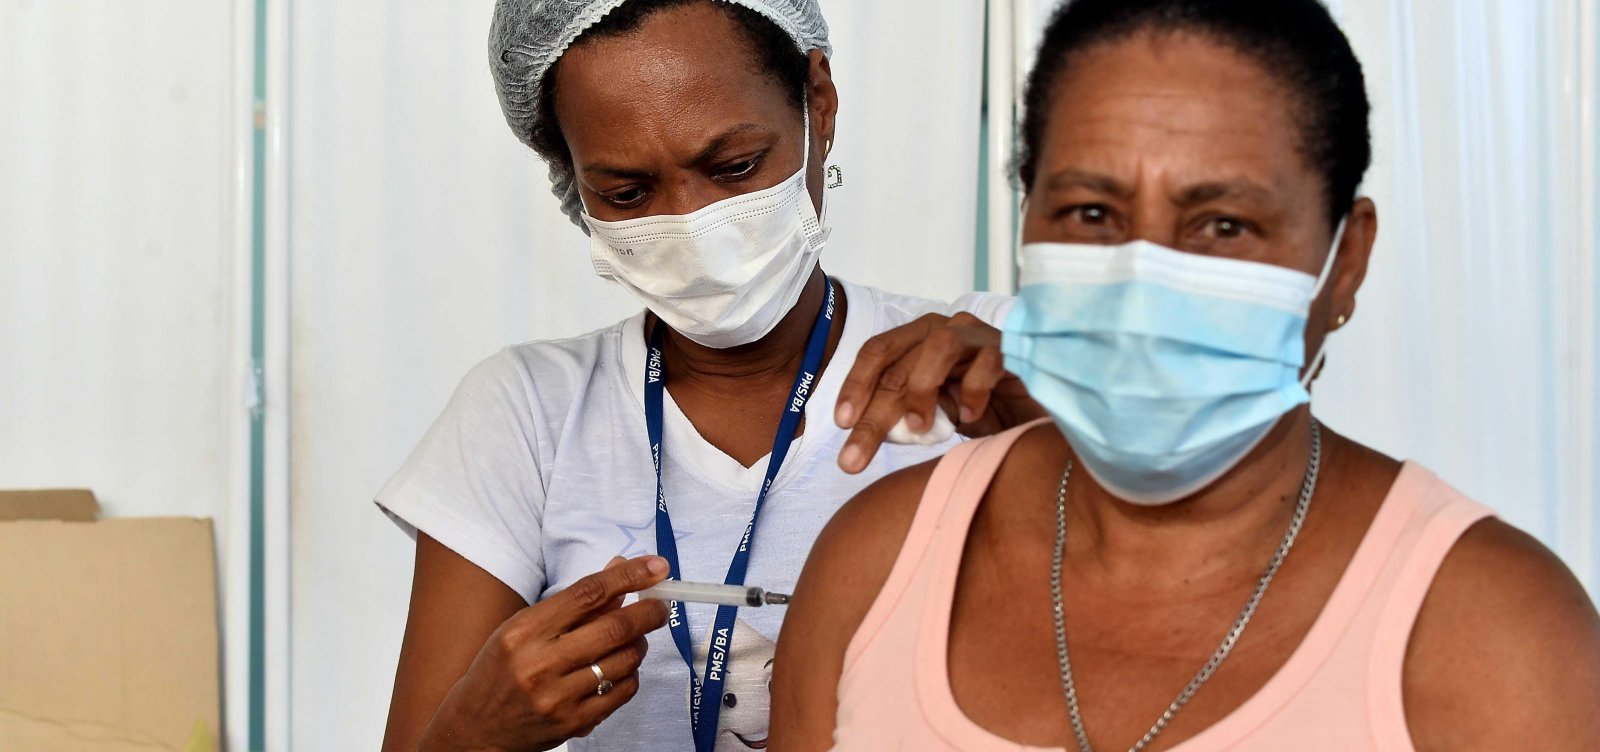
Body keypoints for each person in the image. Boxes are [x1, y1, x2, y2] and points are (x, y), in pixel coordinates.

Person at [771, 1, 1600, 750]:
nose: (1142, 283)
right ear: (1028, 220)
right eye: (1091, 213)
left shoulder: (1497, 636)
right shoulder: (878, 562)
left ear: (1346, 260)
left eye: (1224, 224)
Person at [376, 1, 1017, 750]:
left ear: (818, 102)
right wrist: (473, 732)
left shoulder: (991, 368)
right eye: (627, 193)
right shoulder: (527, 414)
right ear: (570, 179)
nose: (693, 225)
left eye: (735, 166)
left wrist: (1062, 423)